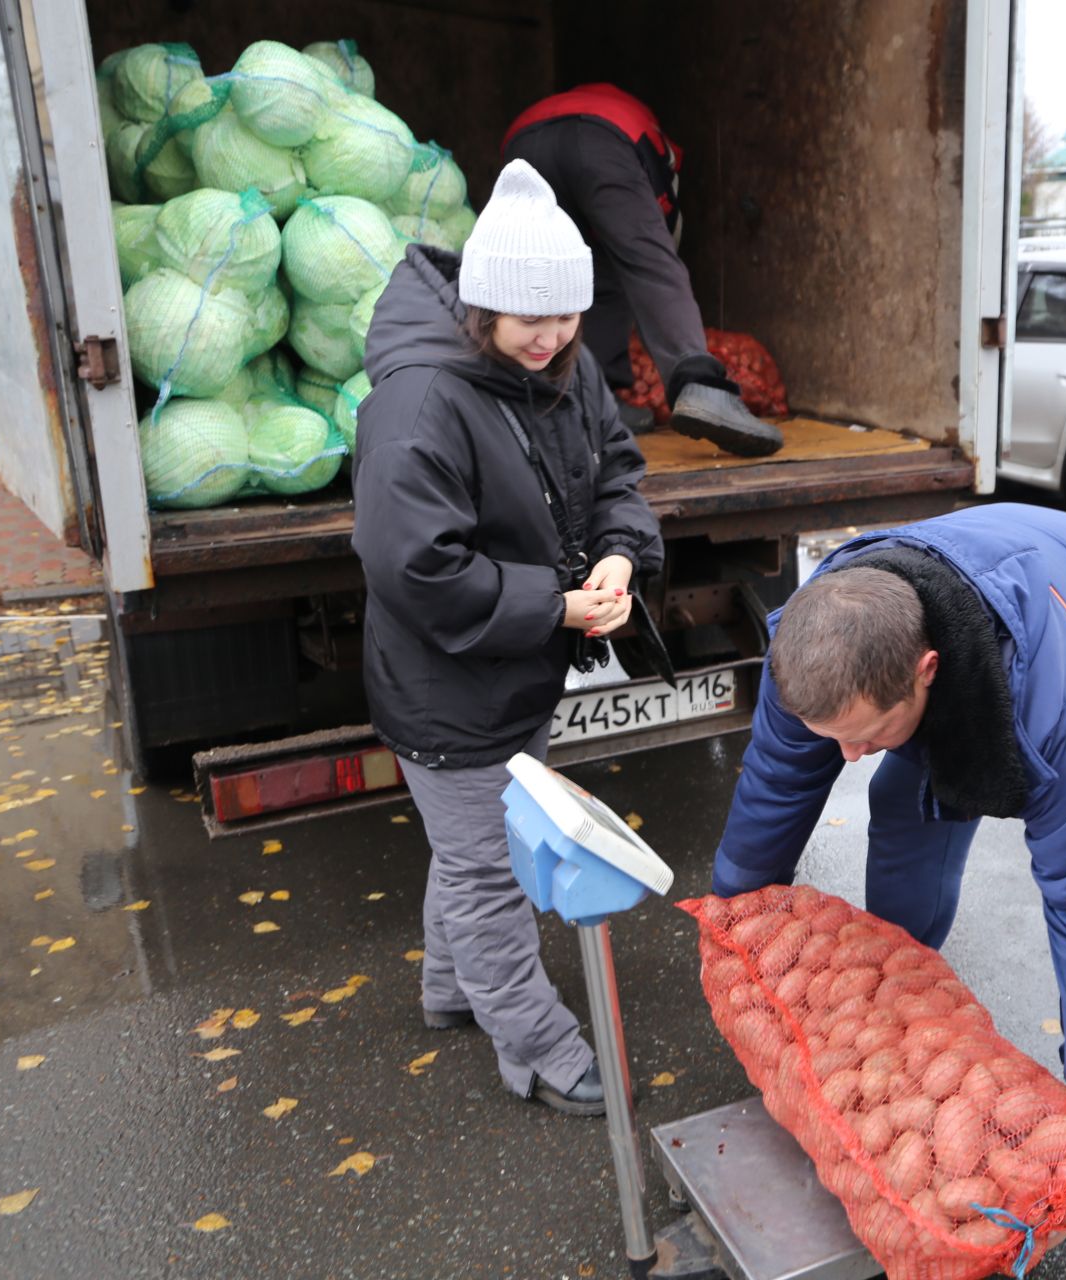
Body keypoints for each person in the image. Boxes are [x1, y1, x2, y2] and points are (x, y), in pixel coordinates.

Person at [709, 503, 1066, 1234]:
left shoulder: (1062, 705)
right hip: (1017, 598)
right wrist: (736, 923)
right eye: (835, 739)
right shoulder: (814, 640)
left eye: (865, 736)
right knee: (903, 801)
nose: (848, 757)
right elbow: (777, 781)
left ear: (927, 672)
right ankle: (897, 994)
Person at [351, 159, 664, 1116]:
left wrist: (617, 555)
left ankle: (449, 989)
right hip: (443, 681)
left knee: (475, 847)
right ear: (482, 304)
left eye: (566, 316)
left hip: (518, 667)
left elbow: (616, 472)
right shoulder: (419, 405)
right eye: (531, 318)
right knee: (491, 870)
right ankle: (543, 1051)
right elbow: (417, 569)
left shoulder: (566, 372)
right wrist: (557, 607)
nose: (552, 336)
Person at [504, 83, 782, 457]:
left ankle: (589, 397)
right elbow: (657, 246)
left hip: (522, 143)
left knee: (549, 270)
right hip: (602, 137)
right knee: (646, 262)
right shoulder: (661, 155)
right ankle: (701, 386)